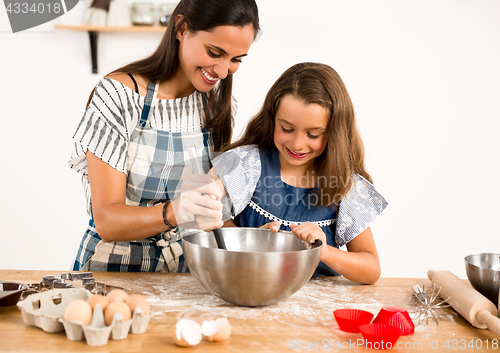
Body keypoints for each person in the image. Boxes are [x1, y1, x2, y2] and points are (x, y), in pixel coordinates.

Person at [68, 0, 260, 272]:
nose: (222, 71)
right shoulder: (118, 97)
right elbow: (107, 220)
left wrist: (251, 240)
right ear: (181, 28)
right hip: (112, 272)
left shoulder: (217, 102)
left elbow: (206, 205)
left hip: (184, 273)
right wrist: (175, 212)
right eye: (215, 52)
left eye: (236, 59)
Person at [212, 62, 387, 284]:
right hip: (249, 295)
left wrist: (324, 252)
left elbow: (371, 269)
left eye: (313, 134)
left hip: (315, 311)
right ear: (272, 118)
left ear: (335, 133)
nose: (297, 143)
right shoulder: (245, 164)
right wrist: (249, 241)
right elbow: (211, 225)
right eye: (286, 129)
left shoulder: (345, 185)